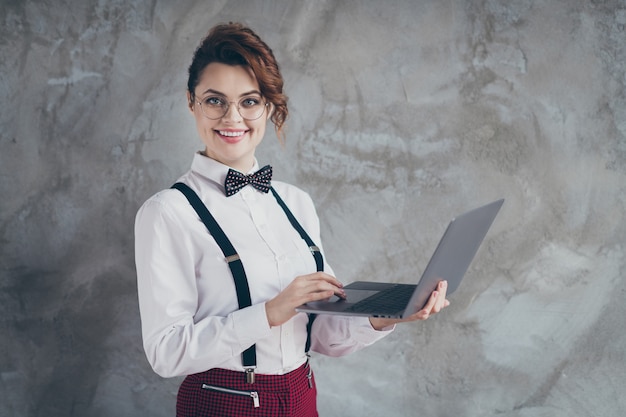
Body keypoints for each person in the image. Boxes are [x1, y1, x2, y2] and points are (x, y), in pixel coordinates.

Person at [134, 22, 450, 417]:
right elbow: (166, 353)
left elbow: (320, 336)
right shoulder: (167, 212)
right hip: (223, 403)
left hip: (302, 397)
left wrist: (385, 315)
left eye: (249, 101)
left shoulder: (296, 203)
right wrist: (267, 313)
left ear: (267, 106)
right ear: (191, 102)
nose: (233, 118)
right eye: (215, 100)